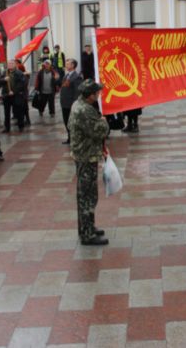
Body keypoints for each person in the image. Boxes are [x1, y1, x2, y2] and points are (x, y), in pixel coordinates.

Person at [68, 80, 110, 246]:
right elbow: (99, 131)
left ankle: (88, 227)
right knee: (87, 196)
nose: (99, 95)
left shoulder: (79, 104)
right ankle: (87, 234)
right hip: (86, 157)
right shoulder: (84, 111)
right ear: (90, 95)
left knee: (86, 194)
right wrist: (104, 121)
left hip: (84, 155)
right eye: (97, 93)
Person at [59, 58, 82, 144]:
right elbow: (63, 87)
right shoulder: (66, 76)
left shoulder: (77, 77)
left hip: (71, 103)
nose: (66, 65)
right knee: (66, 121)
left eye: (68, 64)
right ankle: (70, 137)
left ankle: (75, 138)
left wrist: (74, 103)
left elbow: (77, 91)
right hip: (64, 103)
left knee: (72, 122)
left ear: (73, 65)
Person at [1, 61, 27, 133]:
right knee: (6, 113)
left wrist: (14, 91)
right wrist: (4, 80)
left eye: (12, 64)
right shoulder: (4, 73)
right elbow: (0, 81)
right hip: (7, 95)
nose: (10, 65)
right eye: (9, 64)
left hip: (16, 95)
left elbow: (22, 83)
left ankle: (21, 126)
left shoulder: (19, 73)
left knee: (18, 111)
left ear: (15, 65)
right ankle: (7, 127)